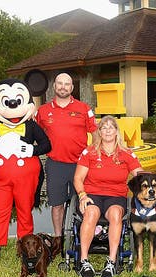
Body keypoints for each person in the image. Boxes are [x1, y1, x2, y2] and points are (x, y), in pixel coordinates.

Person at [73, 116, 142, 277]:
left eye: (111, 127)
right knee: (90, 213)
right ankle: (84, 261)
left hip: (116, 195)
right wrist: (82, 195)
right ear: (99, 132)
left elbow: (140, 175)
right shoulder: (89, 152)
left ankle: (111, 261)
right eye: (104, 127)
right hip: (92, 194)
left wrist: (151, 188)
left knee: (116, 215)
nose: (108, 130)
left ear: (117, 131)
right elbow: (78, 178)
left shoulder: (126, 153)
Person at [35, 73, 97, 236]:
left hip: (81, 165)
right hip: (56, 164)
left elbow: (96, 133)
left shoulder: (84, 108)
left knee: (84, 202)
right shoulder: (43, 111)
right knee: (57, 205)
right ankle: (58, 237)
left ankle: (83, 236)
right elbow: (34, 134)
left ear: (72, 87)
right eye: (60, 83)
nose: (63, 87)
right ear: (54, 86)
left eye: (67, 84)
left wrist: (96, 155)